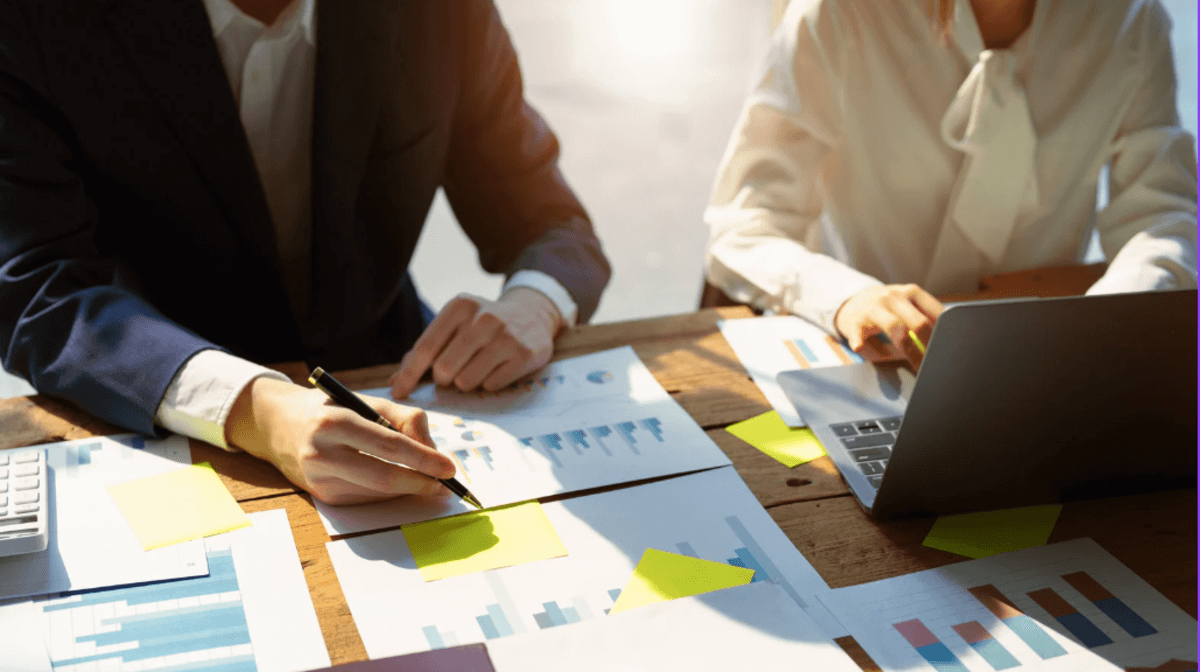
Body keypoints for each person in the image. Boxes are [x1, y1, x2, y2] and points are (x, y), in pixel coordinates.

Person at [0, 0, 610, 504]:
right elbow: (34, 284)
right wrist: (256, 410)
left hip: (402, 384)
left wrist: (536, 301)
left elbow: (549, 219)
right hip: (157, 410)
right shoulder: (34, 22)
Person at [704, 0, 1197, 367]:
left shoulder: (1128, 18)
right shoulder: (840, 14)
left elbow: (1163, 211)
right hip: (876, 361)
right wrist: (844, 297)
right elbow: (744, 225)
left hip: (1046, 362)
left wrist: (1112, 317)